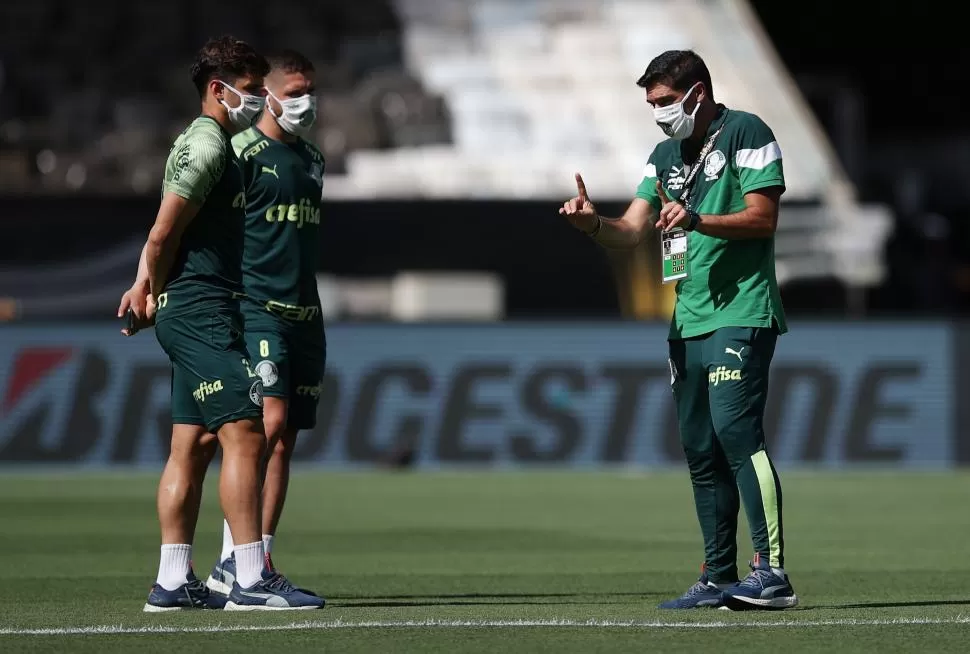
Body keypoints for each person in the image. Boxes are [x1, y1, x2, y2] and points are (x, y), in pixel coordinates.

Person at [559, 50, 796, 611]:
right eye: (651, 105)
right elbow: (631, 231)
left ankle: (773, 572)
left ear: (697, 92)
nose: (659, 114)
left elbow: (763, 217)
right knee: (700, 448)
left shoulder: (748, 132)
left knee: (737, 434)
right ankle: (718, 575)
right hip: (687, 318)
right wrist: (591, 222)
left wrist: (697, 220)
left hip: (742, 309)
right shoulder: (663, 155)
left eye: (665, 102)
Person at [117, 36, 321, 611]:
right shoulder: (210, 148)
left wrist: (145, 286)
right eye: (253, 91)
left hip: (201, 301)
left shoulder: (210, 144)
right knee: (248, 429)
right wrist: (150, 288)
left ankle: (173, 581)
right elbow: (162, 232)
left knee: (194, 443)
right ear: (218, 90)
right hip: (201, 306)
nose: (258, 102)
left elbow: (168, 233)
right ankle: (250, 577)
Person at [204, 50, 327, 600]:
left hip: (307, 313)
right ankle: (235, 558)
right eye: (295, 92)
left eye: (311, 91)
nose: (306, 102)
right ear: (271, 94)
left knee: (285, 442)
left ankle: (259, 554)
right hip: (258, 308)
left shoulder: (314, 160)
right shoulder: (241, 154)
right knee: (266, 424)